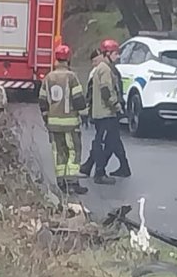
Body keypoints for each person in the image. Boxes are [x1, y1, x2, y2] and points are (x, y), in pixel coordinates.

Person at [39, 44, 88, 195]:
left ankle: (61, 182)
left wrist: (47, 118)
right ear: (68, 59)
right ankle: (72, 182)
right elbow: (79, 100)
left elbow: (42, 101)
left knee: (59, 152)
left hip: (53, 124)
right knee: (73, 151)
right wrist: (84, 113)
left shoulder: (48, 77)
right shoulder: (71, 77)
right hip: (70, 123)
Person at [80, 40, 131, 184]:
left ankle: (91, 167)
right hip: (106, 113)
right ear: (107, 54)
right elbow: (106, 91)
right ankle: (99, 173)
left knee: (109, 141)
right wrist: (117, 107)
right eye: (115, 53)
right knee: (102, 142)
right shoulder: (105, 69)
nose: (118, 56)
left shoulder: (102, 68)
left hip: (102, 112)